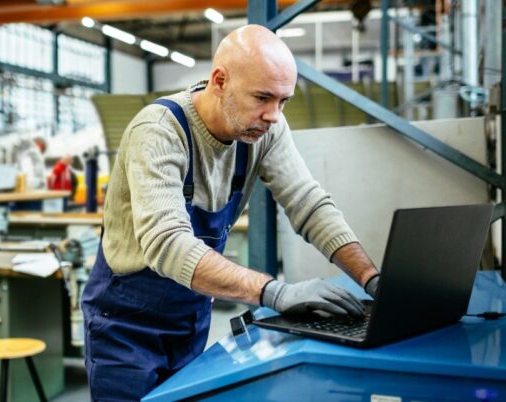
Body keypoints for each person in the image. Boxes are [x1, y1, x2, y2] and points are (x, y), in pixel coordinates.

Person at [81, 25, 381, 401]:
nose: (273, 115)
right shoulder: (158, 131)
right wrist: (274, 292)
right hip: (125, 326)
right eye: (262, 97)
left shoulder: (262, 129)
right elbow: (167, 245)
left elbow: (307, 201)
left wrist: (372, 279)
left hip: (189, 316)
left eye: (283, 101)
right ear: (219, 80)